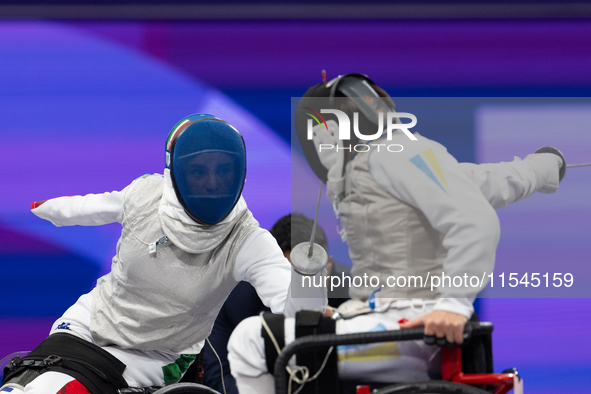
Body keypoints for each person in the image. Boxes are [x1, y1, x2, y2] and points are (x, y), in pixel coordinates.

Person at [227, 74, 564, 393]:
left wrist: (453, 304)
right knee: (297, 330)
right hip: (397, 323)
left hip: (413, 335)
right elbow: (491, 181)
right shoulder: (391, 161)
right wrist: (544, 168)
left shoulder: (393, 156)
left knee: (250, 340)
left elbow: (476, 219)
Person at [0, 114, 327, 394]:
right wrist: (49, 209)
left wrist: (308, 277)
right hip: (88, 321)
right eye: (199, 172)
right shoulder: (146, 194)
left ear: (239, 173)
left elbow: (293, 308)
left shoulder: (247, 240)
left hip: (156, 354)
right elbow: (92, 206)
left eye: (223, 170)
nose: (213, 183)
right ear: (177, 173)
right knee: (22, 385)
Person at [203, 213, 348, 394]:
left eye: (311, 272)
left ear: (329, 263)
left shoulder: (352, 294)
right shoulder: (231, 299)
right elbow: (219, 375)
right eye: (290, 276)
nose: (301, 288)